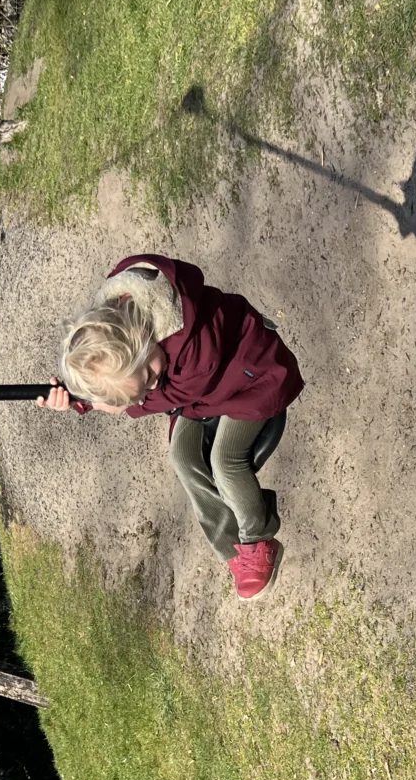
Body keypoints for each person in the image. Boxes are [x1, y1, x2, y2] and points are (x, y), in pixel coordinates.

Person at [38, 254, 302, 599]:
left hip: (253, 379)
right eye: (140, 387)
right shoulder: (121, 329)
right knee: (182, 456)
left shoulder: (191, 342)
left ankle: (259, 537)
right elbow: (138, 388)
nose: (150, 384)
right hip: (205, 397)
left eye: (148, 375)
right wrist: (80, 398)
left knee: (225, 463)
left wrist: (125, 406)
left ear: (144, 339)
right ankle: (232, 547)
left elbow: (170, 395)